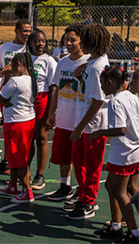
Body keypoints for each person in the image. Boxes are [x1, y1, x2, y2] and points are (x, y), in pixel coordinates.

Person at [65, 23, 111, 220]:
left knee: (92, 166)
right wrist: (78, 76)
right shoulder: (92, 62)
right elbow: (87, 89)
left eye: (84, 38)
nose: (81, 41)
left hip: (94, 126)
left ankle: (88, 202)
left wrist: (80, 127)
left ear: (93, 41)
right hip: (84, 122)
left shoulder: (99, 65)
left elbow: (98, 100)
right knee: (79, 162)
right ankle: (83, 194)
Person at [90, 64, 139, 242]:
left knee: (120, 192)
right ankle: (116, 226)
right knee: (111, 186)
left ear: (110, 82)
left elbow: (121, 130)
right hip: (135, 151)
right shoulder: (133, 97)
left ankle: (134, 233)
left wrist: (99, 132)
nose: (101, 87)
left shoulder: (115, 102)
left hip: (123, 153)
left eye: (102, 83)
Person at [47, 24, 90, 202]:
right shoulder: (62, 62)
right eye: (67, 39)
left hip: (79, 120)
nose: (69, 43)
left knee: (80, 159)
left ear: (82, 41)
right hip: (63, 118)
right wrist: (51, 112)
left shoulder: (89, 62)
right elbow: (56, 88)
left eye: (73, 40)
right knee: (63, 155)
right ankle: (65, 186)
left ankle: (82, 190)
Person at [0, 20, 32, 174]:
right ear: (16, 31)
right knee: (9, 129)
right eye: (24, 31)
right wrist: (5, 71)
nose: (27, 34)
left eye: (29, 31)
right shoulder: (5, 48)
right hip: (7, 93)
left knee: (25, 132)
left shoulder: (30, 48)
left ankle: (22, 166)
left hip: (25, 95)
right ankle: (7, 161)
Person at [0, 53, 37, 203]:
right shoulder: (32, 79)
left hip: (16, 122)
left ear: (18, 63)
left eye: (11, 64)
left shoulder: (15, 80)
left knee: (19, 157)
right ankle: (13, 185)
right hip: (27, 120)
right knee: (15, 155)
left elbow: (0, 97)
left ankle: (27, 191)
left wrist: (6, 77)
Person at [27, 29, 57, 190]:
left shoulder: (49, 61)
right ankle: (25, 173)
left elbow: (53, 87)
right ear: (30, 43)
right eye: (37, 41)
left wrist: (51, 111)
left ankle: (40, 175)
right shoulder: (25, 58)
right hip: (25, 101)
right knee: (27, 139)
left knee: (41, 137)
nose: (40, 44)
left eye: (43, 41)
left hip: (42, 100)